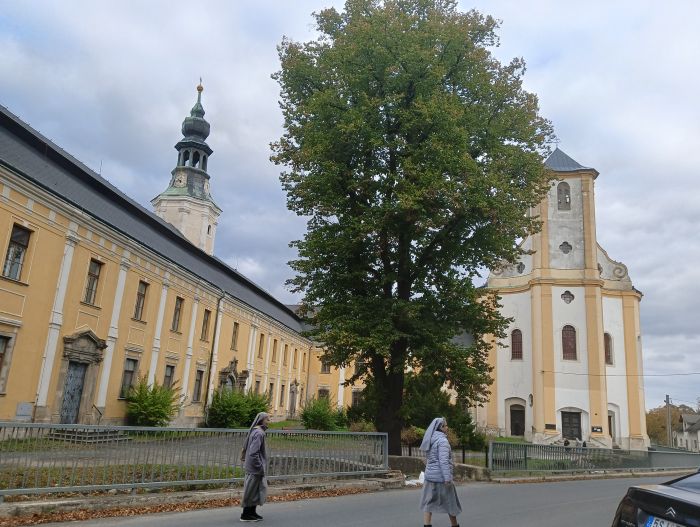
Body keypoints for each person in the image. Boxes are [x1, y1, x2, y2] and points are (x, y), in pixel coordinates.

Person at [420, 417, 461, 527]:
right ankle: (454, 525)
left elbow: (429, 459)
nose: (447, 427)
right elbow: (443, 461)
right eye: (445, 425)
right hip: (441, 478)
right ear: (441, 428)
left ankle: (427, 525)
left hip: (430, 477)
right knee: (451, 503)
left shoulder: (431, 439)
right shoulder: (443, 441)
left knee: (428, 504)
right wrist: (447, 478)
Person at [240, 412, 270, 522]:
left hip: (253, 468)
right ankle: (245, 515)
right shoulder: (259, 433)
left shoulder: (256, 431)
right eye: (267, 419)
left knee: (256, 491)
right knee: (251, 491)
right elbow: (253, 453)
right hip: (255, 469)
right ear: (261, 420)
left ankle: (252, 513)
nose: (269, 421)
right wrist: (259, 466)